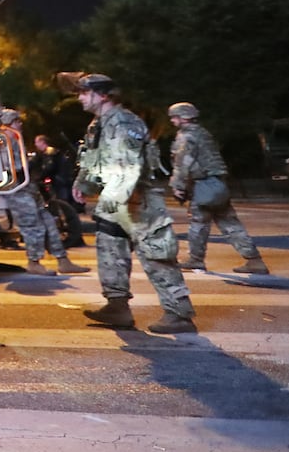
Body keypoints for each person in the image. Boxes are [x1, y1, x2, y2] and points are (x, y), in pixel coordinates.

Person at [69, 72, 197, 334]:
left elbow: (128, 168)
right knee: (110, 252)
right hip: (114, 201)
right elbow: (94, 159)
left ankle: (179, 315)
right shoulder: (98, 124)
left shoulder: (125, 122)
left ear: (102, 95)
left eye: (84, 92)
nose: (80, 98)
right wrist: (83, 185)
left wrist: (113, 200)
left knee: (156, 256)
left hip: (138, 202)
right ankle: (117, 307)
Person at [167, 101, 269, 275]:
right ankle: (254, 260)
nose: (172, 121)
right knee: (230, 223)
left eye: (174, 118)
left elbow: (183, 163)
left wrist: (178, 186)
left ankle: (196, 259)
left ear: (183, 118)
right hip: (218, 184)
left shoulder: (186, 137)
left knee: (198, 224)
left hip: (203, 185)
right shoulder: (203, 133)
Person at [0, 110, 87, 276]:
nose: (21, 123)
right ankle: (34, 262)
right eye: (17, 120)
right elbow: (7, 167)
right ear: (9, 122)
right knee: (32, 225)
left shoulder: (15, 138)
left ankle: (62, 260)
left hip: (27, 186)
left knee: (48, 222)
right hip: (16, 189)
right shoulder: (4, 139)